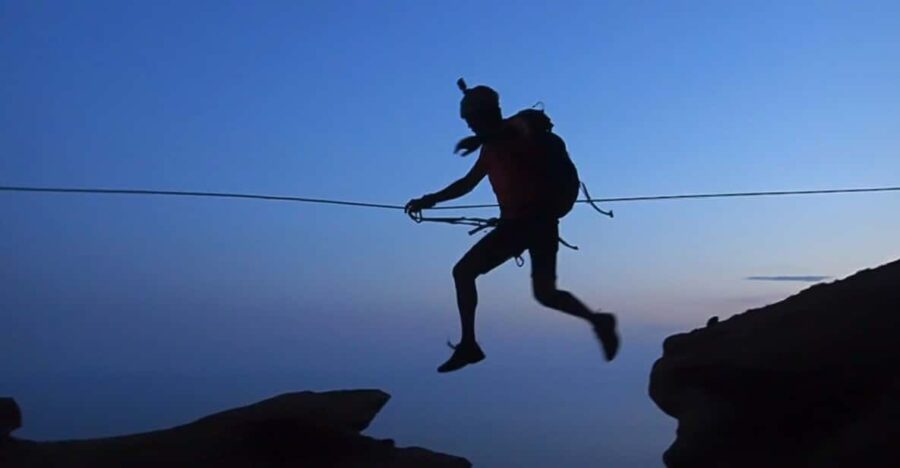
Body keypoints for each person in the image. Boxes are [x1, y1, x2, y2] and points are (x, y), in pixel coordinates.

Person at [405, 81, 620, 373]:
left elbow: (514, 134)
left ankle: (469, 345)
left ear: (485, 114)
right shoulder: (492, 146)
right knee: (545, 293)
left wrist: (480, 141)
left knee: (464, 272)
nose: (470, 127)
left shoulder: (519, 131)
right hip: (537, 225)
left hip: (525, 224)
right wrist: (430, 200)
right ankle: (598, 321)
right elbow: (467, 184)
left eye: (471, 120)